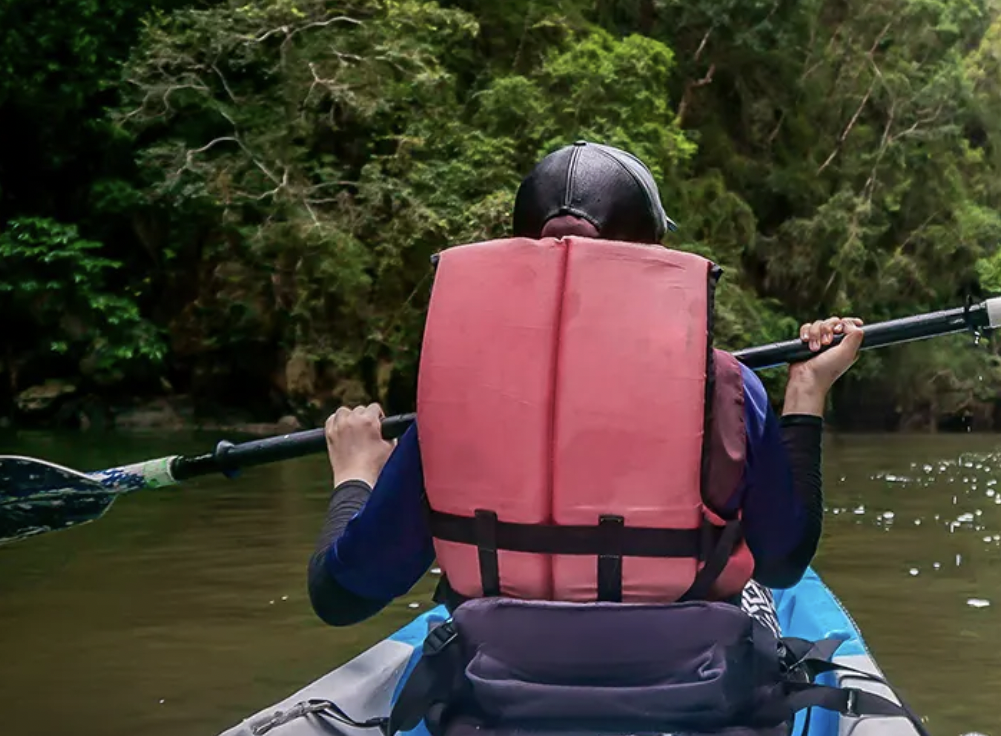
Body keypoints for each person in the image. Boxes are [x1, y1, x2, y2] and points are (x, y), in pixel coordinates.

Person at [306, 141, 895, 735]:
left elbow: (341, 595)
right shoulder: (728, 389)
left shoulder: (454, 397)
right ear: (653, 255)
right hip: (694, 699)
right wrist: (806, 394)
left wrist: (356, 475)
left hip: (496, 701)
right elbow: (784, 560)